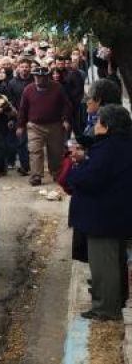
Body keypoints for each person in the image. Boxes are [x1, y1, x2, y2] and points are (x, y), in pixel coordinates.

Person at [65, 105, 132, 321]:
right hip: (115, 214)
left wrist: (76, 169)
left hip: (104, 217)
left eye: (98, 122)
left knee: (104, 265)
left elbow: (88, 179)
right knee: (114, 261)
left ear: (107, 126)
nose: (95, 125)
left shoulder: (108, 149)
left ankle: (105, 308)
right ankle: (115, 300)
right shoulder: (119, 145)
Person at [17, 66, 72, 186]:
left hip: (55, 125)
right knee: (34, 150)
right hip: (34, 126)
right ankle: (36, 175)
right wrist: (20, 125)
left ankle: (56, 172)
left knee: (56, 151)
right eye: (37, 76)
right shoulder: (28, 89)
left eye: (42, 77)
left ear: (47, 77)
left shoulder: (57, 87)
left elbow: (66, 105)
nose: (39, 79)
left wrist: (66, 120)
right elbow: (23, 109)